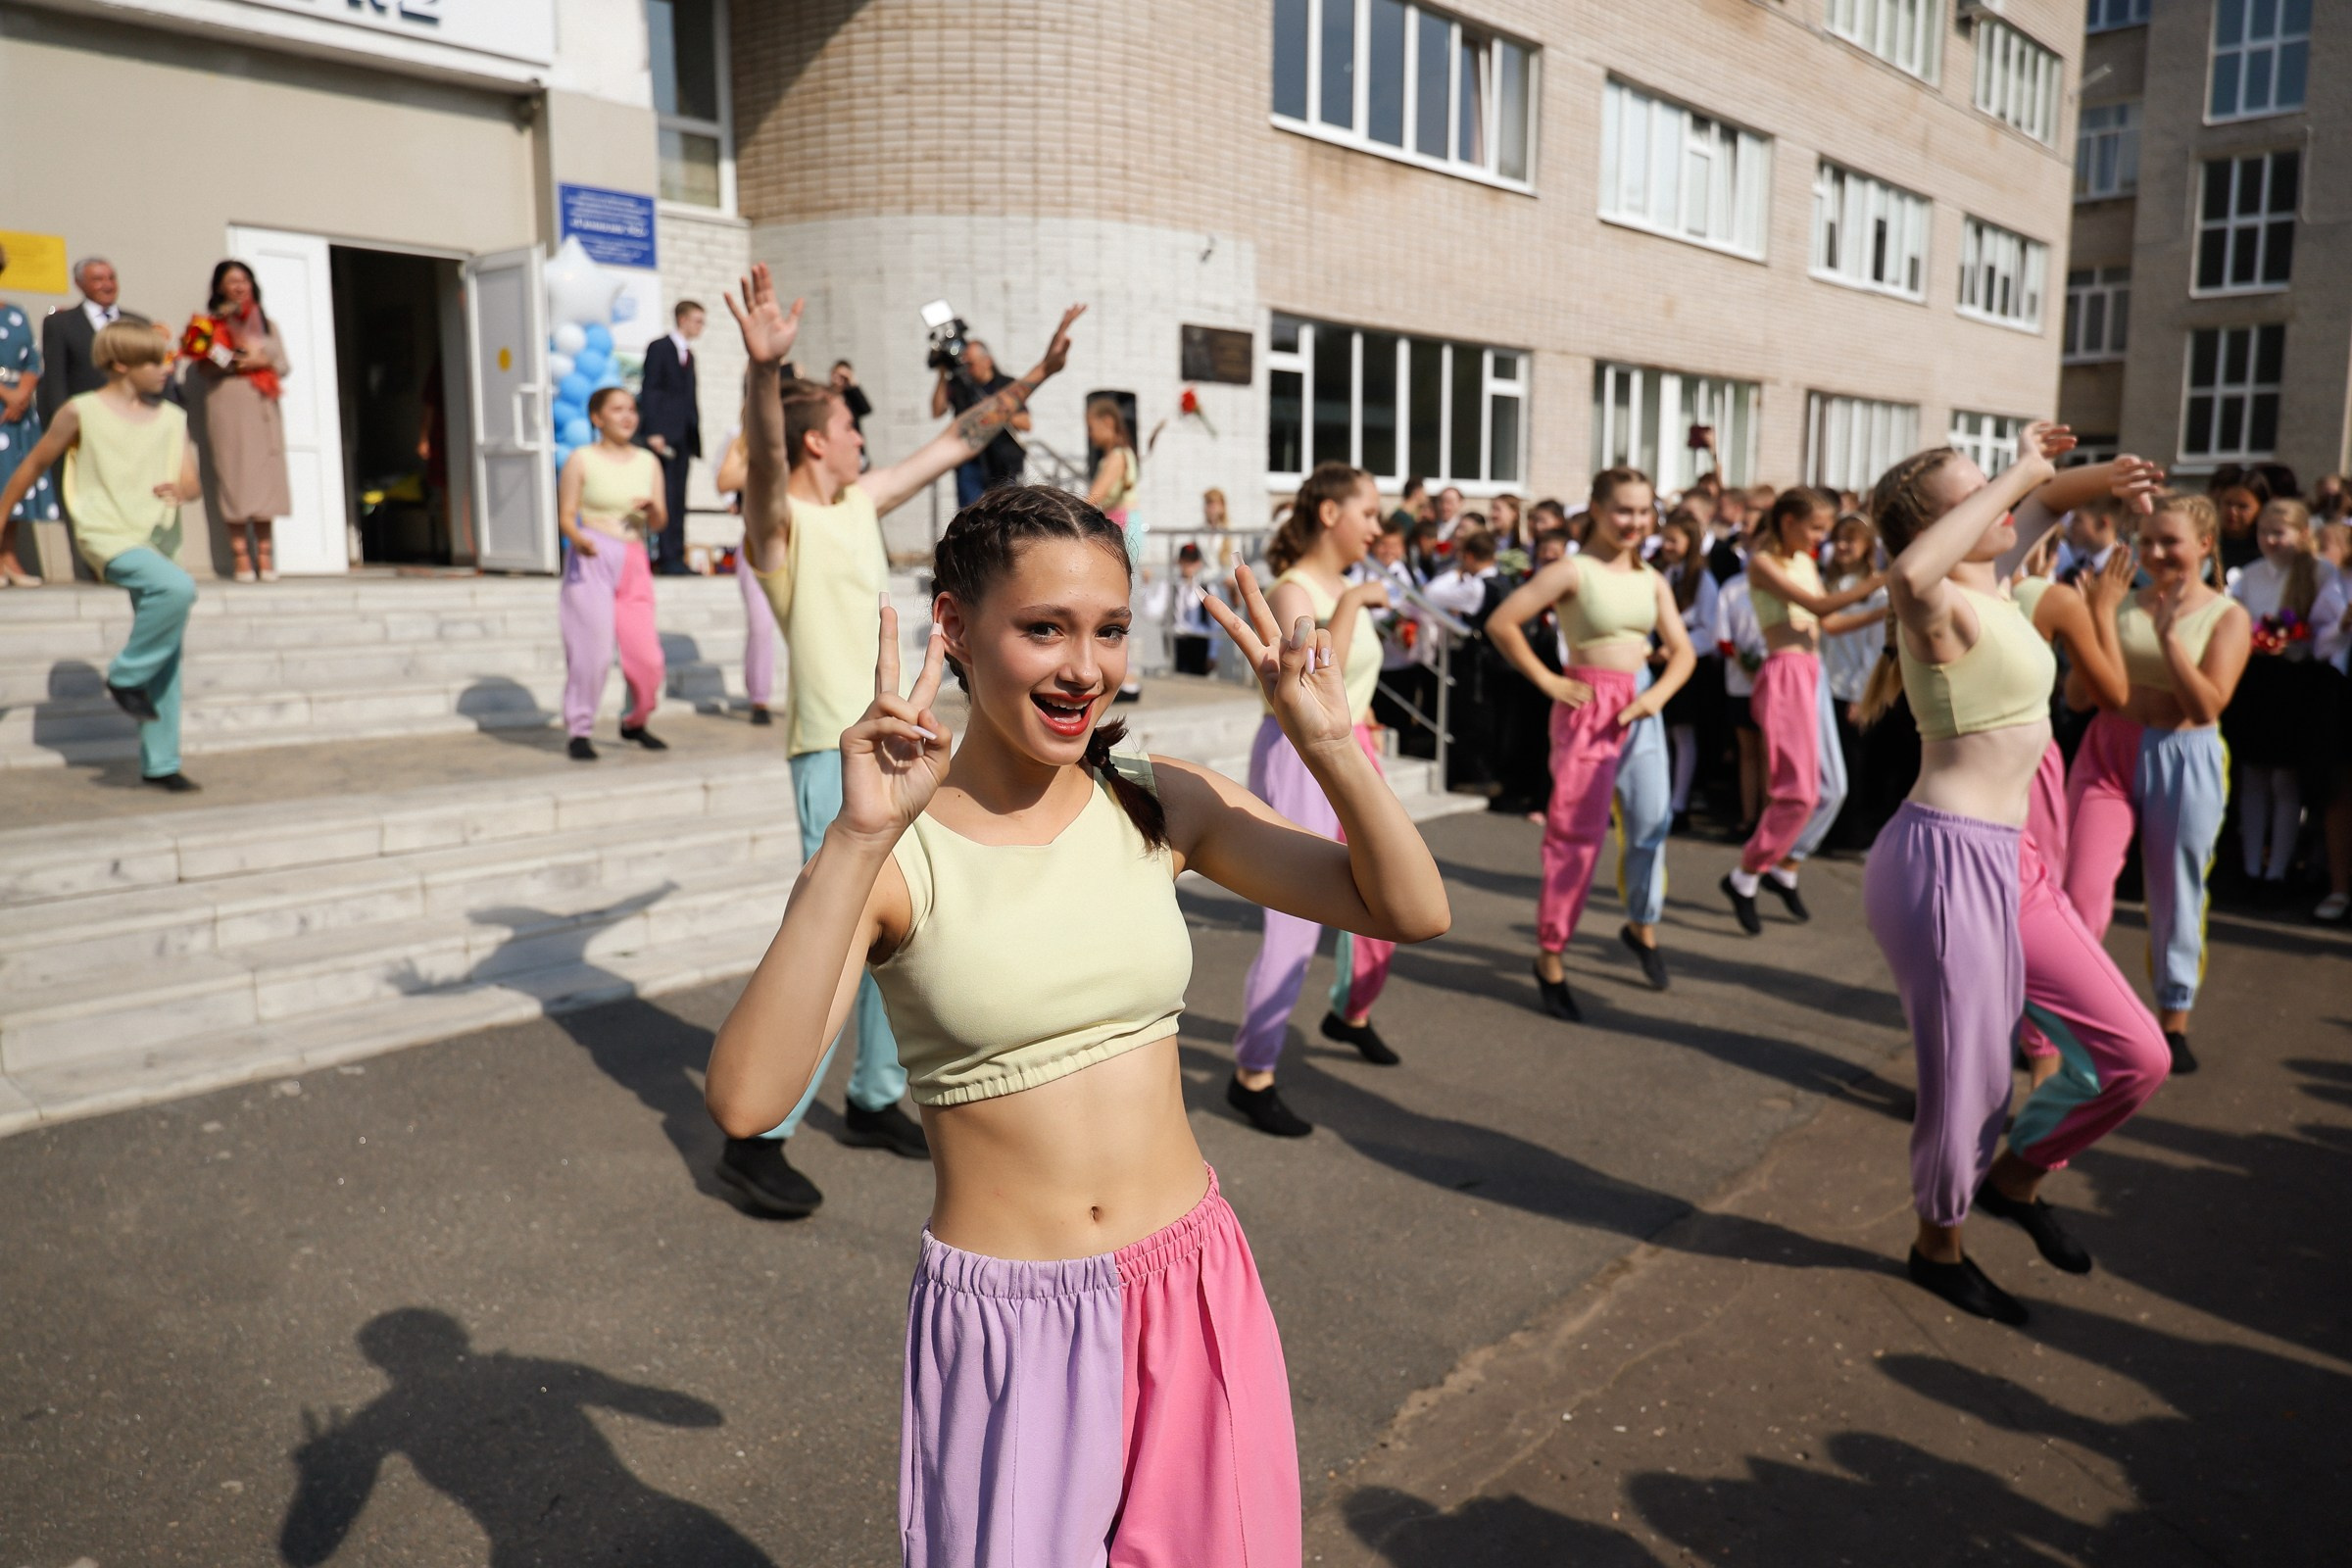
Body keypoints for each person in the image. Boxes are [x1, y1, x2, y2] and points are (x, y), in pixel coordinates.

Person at [701, 489, 1447, 1564]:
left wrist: (1330, 744)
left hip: (1194, 1288)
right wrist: (858, 839)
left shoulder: (1158, 797)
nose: (1083, 668)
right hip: (1014, 1325)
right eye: (1043, 627)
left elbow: (1410, 909)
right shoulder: (894, 852)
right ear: (954, 628)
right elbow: (748, 1099)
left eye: (1107, 629)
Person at [721, 262, 1084, 1215]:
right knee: (832, 941)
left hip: (902, 753)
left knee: (902, 929)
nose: (862, 437)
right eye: (848, 426)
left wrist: (1034, 377)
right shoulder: (780, 523)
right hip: (830, 759)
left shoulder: (853, 503)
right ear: (815, 439)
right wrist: (765, 373)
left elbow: (955, 437)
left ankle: (877, 1092)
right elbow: (763, 464)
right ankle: (755, 1134)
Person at [1861, 425, 2169, 1327]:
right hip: (1943, 864)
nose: (2004, 501)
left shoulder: (1992, 581)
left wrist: (2111, 476)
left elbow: (2050, 501)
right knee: (1970, 1085)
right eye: (1978, 494)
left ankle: (2016, 1178)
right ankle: (1936, 1245)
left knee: (2136, 1056)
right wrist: (2025, 474)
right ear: (1942, 525)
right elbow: (1911, 573)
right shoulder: (1935, 604)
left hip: (2016, 864)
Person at [1228, 462, 1417, 1137]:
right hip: (1297, 751)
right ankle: (1252, 1074)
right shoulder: (1292, 590)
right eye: (1370, 513)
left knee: (1391, 892)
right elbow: (1305, 679)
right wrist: (1357, 605)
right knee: (1295, 927)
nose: (1380, 527)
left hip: (1352, 749)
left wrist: (1370, 724)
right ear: (1331, 514)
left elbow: (1351, 686)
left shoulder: (1339, 585)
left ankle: (1350, 1011)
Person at [1488, 467, 1695, 1014]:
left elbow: (1684, 651)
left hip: (1641, 709)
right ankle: (1550, 954)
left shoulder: (1652, 578)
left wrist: (1655, 699)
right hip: (1587, 708)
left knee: (1652, 824)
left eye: (1643, 511)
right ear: (1599, 511)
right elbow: (1503, 622)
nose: (1635, 521)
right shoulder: (1572, 570)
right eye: (1624, 510)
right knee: (1576, 837)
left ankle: (1642, 927)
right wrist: (1553, 680)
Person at [2065, 484, 2252, 1074]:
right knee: (2079, 893)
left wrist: (2170, 635)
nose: (2155, 553)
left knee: (2175, 894)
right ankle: (2070, 1018)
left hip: (2185, 755)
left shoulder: (2228, 616)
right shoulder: (2118, 602)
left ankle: (2173, 1020)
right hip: (2107, 753)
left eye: (2169, 541)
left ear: (2203, 543)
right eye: (2145, 541)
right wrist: (2095, 617)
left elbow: (2207, 707)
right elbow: (2076, 696)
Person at [0, 323, 203, 790]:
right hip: (105, 532)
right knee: (177, 589)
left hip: (158, 539)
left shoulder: (173, 416)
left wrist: (183, 490)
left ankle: (161, 763)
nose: (164, 369)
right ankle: (125, 675)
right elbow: (34, 464)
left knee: (167, 655)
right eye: (154, 362)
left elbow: (190, 480)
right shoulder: (81, 411)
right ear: (119, 365)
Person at [1719, 488, 1884, 934]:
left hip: (1812, 670)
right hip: (1785, 674)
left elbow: (1827, 624)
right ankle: (1747, 874)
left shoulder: (1805, 561)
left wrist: (1887, 611)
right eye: (1815, 526)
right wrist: (1884, 580)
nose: (1823, 536)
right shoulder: (1763, 562)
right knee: (1798, 791)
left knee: (1832, 789)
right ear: (1787, 520)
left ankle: (1785, 866)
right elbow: (1817, 606)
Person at [2226, 497, 2337, 898]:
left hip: (2298, 684)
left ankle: (2279, 870)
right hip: (2258, 680)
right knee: (2253, 775)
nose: (2270, 540)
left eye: (2279, 533)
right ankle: (2252, 867)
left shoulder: (2321, 573)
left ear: (2303, 534)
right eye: (2263, 533)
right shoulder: (2250, 576)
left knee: (2286, 781)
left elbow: (2327, 630)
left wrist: (2297, 642)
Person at [557, 388, 667, 760]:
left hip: (634, 559)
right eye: (617, 409)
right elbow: (566, 515)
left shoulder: (648, 462)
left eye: (632, 409)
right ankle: (580, 729)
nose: (627, 416)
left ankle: (635, 721)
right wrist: (579, 540)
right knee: (592, 654)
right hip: (593, 556)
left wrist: (653, 509)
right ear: (596, 418)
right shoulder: (581, 459)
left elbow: (660, 521)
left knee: (648, 658)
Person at [186, 261, 291, 582]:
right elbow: (203, 364)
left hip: (262, 409)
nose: (239, 286)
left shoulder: (267, 325)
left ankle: (265, 556)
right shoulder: (210, 324)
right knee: (235, 479)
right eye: (232, 281)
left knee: (266, 481)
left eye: (244, 280)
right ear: (220, 287)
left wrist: (265, 360)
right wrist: (236, 362)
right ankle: (241, 558)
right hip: (228, 409)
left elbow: (283, 364)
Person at [1821, 514, 1889, 848]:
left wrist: (1862, 693)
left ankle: (1849, 832)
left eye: (1852, 540)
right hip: (1825, 684)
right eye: (1839, 539)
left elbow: (1874, 648)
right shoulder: (1828, 584)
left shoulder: (1876, 590)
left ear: (1866, 548)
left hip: (1851, 686)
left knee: (1852, 764)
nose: (1843, 546)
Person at [1655, 511, 1720, 827]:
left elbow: (1709, 630)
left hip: (1687, 666)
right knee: (1661, 733)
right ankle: (1659, 797)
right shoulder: (1660, 572)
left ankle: (1678, 803)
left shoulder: (1702, 579)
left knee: (1683, 734)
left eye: (1673, 540)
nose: (1666, 545)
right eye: (1664, 538)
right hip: (1657, 660)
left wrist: (1676, 650)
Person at [712, 422, 779, 726]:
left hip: (801, 544)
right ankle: (759, 699)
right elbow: (724, 481)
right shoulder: (742, 440)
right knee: (760, 624)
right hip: (757, 543)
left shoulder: (802, 435)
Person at [0, 246, 59, 588]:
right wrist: (6, 393)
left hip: (17, 412)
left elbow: (32, 361)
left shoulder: (16, 313)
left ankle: (10, 556)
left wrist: (21, 395)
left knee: (14, 480)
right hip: (5, 401)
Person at [37, 257, 153, 425]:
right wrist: (64, 421)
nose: (107, 285)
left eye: (111, 278)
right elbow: (55, 380)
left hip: (131, 417)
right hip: (85, 419)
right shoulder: (60, 324)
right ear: (79, 283)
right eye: (98, 279)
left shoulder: (139, 323)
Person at [635, 300, 704, 575]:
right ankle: (665, 555)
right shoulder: (660, 348)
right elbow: (650, 390)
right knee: (666, 495)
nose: (701, 327)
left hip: (683, 436)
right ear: (683, 319)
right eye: (698, 320)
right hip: (663, 436)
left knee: (680, 497)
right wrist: (653, 431)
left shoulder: (689, 354)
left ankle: (676, 553)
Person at [930, 337, 1028, 507]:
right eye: (965, 364)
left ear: (987, 361)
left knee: (1004, 514)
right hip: (970, 461)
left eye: (972, 364)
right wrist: (942, 373)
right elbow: (937, 410)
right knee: (971, 514)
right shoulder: (959, 385)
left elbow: (1026, 423)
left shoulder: (1006, 385)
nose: (967, 369)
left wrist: (997, 413)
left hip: (1002, 461)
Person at [2210, 467, 2268, 579]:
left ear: (2261, 509)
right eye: (2228, 503)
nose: (2233, 512)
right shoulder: (2206, 544)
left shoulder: (2267, 550)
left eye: (2242, 507)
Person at [830, 359, 872, 444]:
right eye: (836, 375)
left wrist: (853, 384)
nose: (839, 380)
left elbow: (866, 409)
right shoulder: (826, 395)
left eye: (843, 377)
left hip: (852, 444)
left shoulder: (851, 396)